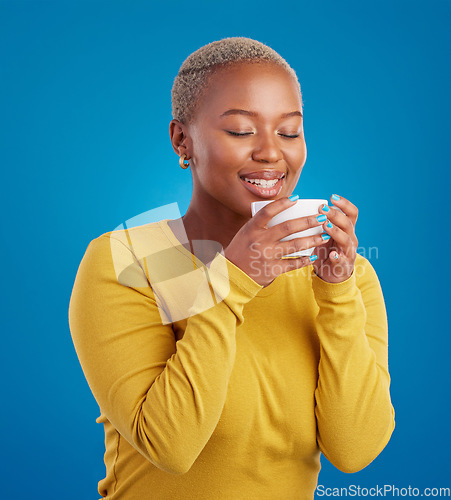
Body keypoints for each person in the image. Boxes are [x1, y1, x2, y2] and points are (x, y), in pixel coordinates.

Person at [69, 37, 395, 500]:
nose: (270, 153)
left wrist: (338, 295)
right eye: (242, 131)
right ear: (183, 139)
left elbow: (354, 450)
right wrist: (232, 279)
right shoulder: (127, 260)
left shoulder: (345, 278)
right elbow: (170, 446)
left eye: (289, 132)